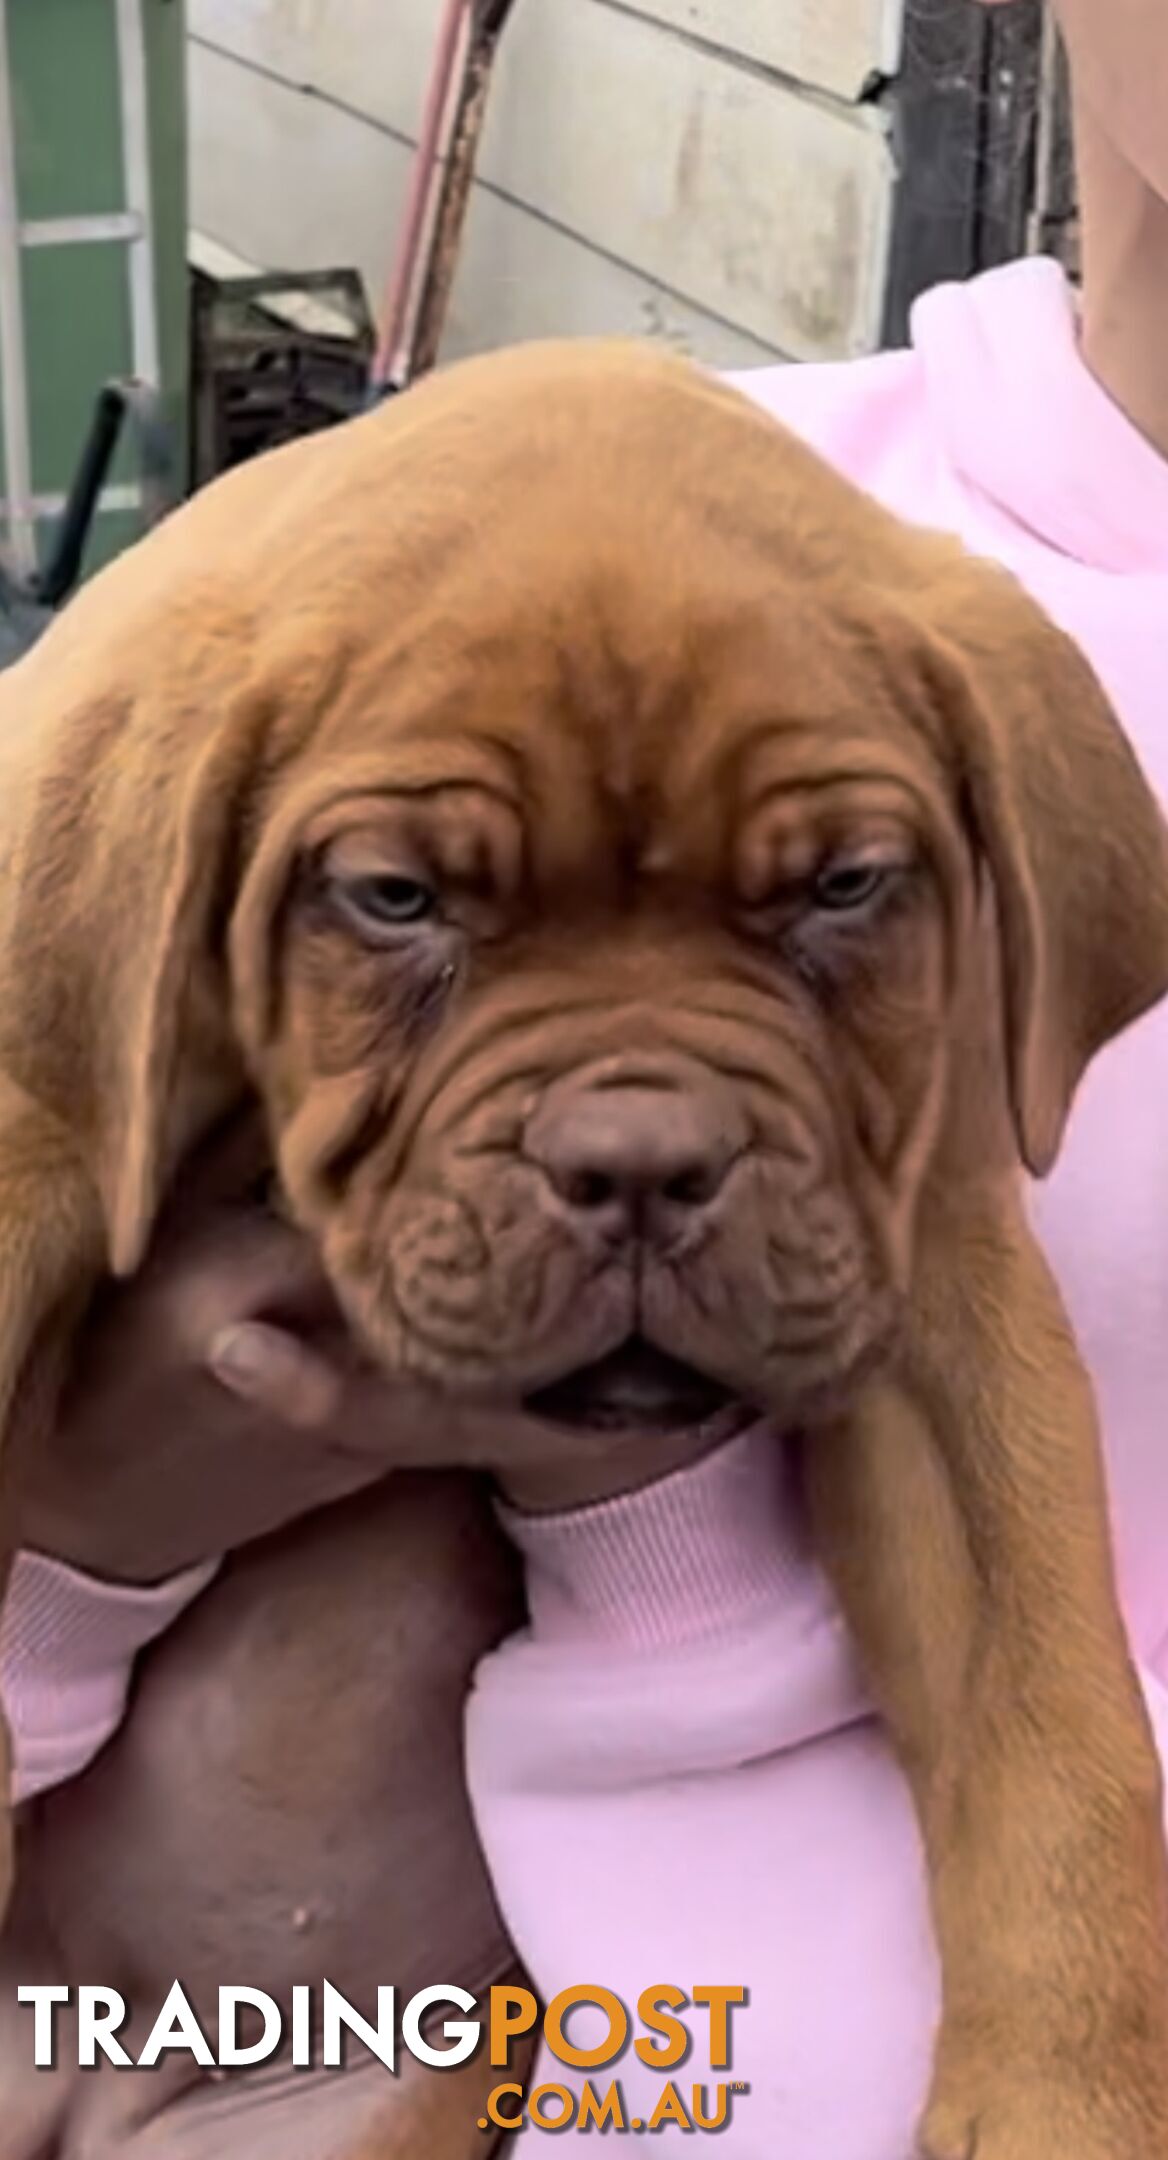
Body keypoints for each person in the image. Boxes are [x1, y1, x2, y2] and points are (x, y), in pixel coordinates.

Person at [4, 0, 1168, 2149]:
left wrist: (1078, 2057)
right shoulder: (578, 581)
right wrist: (74, 1549)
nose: (635, 1122)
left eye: (821, 895)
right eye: (398, 897)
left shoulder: (921, 677)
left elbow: (990, 1519)